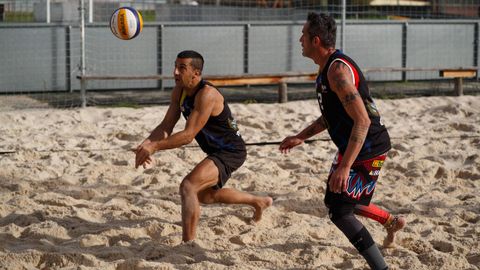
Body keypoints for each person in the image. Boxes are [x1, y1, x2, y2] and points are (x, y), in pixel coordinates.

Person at [279, 13, 406, 269]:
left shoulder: (337, 71)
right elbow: (332, 116)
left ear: (315, 40)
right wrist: (300, 137)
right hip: (353, 146)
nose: (299, 39)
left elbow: (362, 121)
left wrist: (345, 167)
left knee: (340, 211)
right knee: (337, 197)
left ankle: (381, 267)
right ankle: (391, 222)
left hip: (369, 149)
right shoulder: (326, 69)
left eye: (303, 34)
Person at [134, 50, 272, 242]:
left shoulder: (207, 95)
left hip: (230, 151)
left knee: (188, 186)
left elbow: (188, 135)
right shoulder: (179, 91)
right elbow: (166, 126)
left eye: (181, 68)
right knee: (205, 196)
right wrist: (146, 144)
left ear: (196, 73)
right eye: (175, 66)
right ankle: (258, 201)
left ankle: (188, 245)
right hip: (216, 151)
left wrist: (155, 147)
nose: (175, 72)